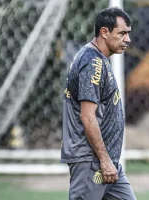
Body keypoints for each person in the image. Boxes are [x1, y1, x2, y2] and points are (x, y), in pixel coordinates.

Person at [61, 7, 136, 200]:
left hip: (108, 163)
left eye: (128, 33)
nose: (127, 39)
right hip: (92, 161)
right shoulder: (92, 62)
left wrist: (109, 161)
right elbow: (87, 116)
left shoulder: (98, 60)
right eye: (122, 33)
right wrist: (104, 160)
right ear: (104, 32)